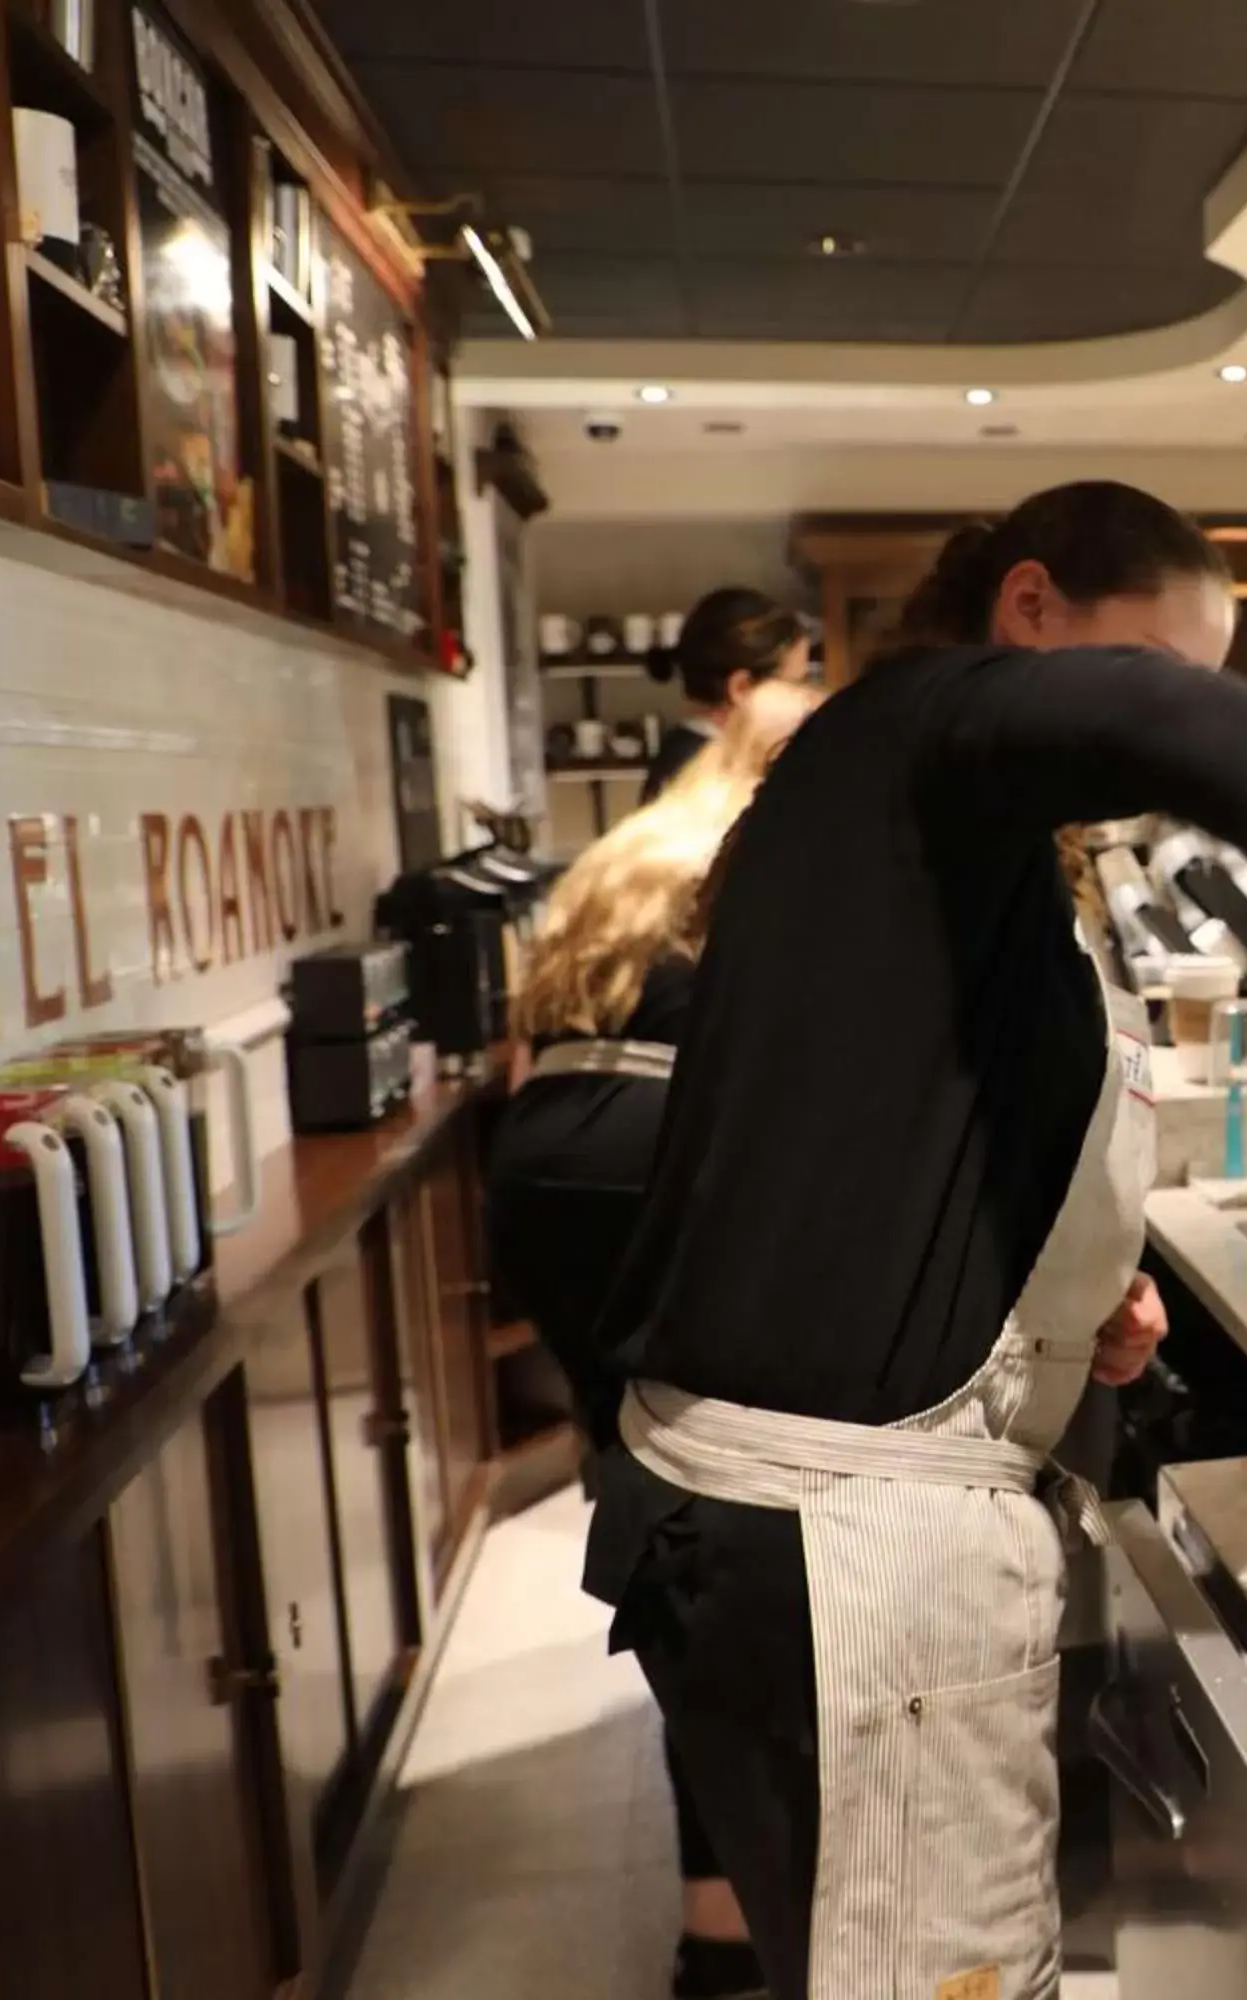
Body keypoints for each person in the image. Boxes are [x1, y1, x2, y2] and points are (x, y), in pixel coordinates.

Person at [582, 480, 1247, 1999]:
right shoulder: (919, 730)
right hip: (848, 1556)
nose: (1160, 716)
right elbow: (1155, 726)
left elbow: (892, 1134)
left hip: (780, 1520)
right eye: (1158, 666)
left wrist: (1053, 1295)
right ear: (1027, 610)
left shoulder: (934, 829)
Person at [490, 677, 819, 2000]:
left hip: (545, 1175)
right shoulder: (771, 857)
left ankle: (716, 1924)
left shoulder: (633, 844)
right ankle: (742, 1923)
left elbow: (525, 1049)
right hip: (659, 1173)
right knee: (721, 1516)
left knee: (653, 1484)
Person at [642, 588, 813, 802]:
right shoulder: (702, 777)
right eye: (795, 685)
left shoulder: (709, 757)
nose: (804, 703)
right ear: (741, 688)